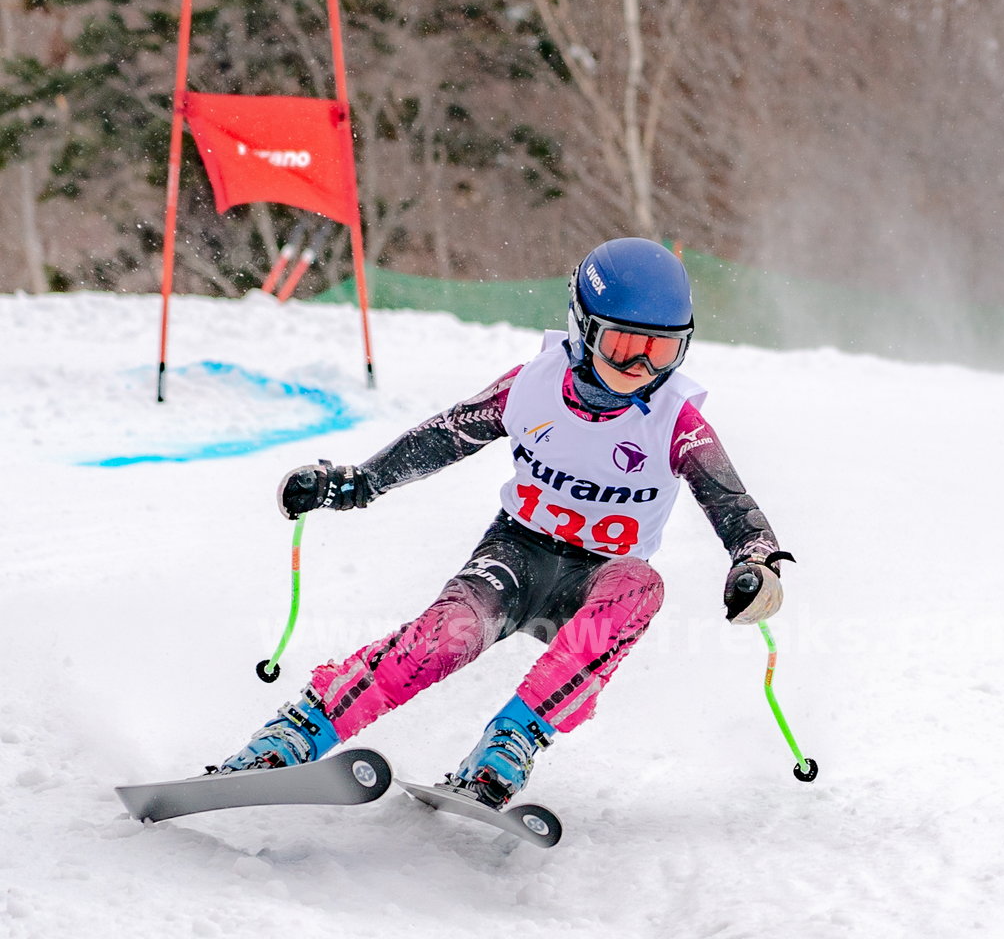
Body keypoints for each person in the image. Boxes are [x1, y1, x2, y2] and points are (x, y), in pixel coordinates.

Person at [218, 238, 792, 808]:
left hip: (598, 583)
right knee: (446, 638)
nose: (640, 368)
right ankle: (297, 732)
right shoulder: (530, 387)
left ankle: (512, 741)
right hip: (516, 557)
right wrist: (358, 481)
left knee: (641, 587)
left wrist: (757, 560)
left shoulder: (675, 419)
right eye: (622, 346)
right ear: (584, 328)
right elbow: (445, 436)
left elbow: (732, 503)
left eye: (660, 353)